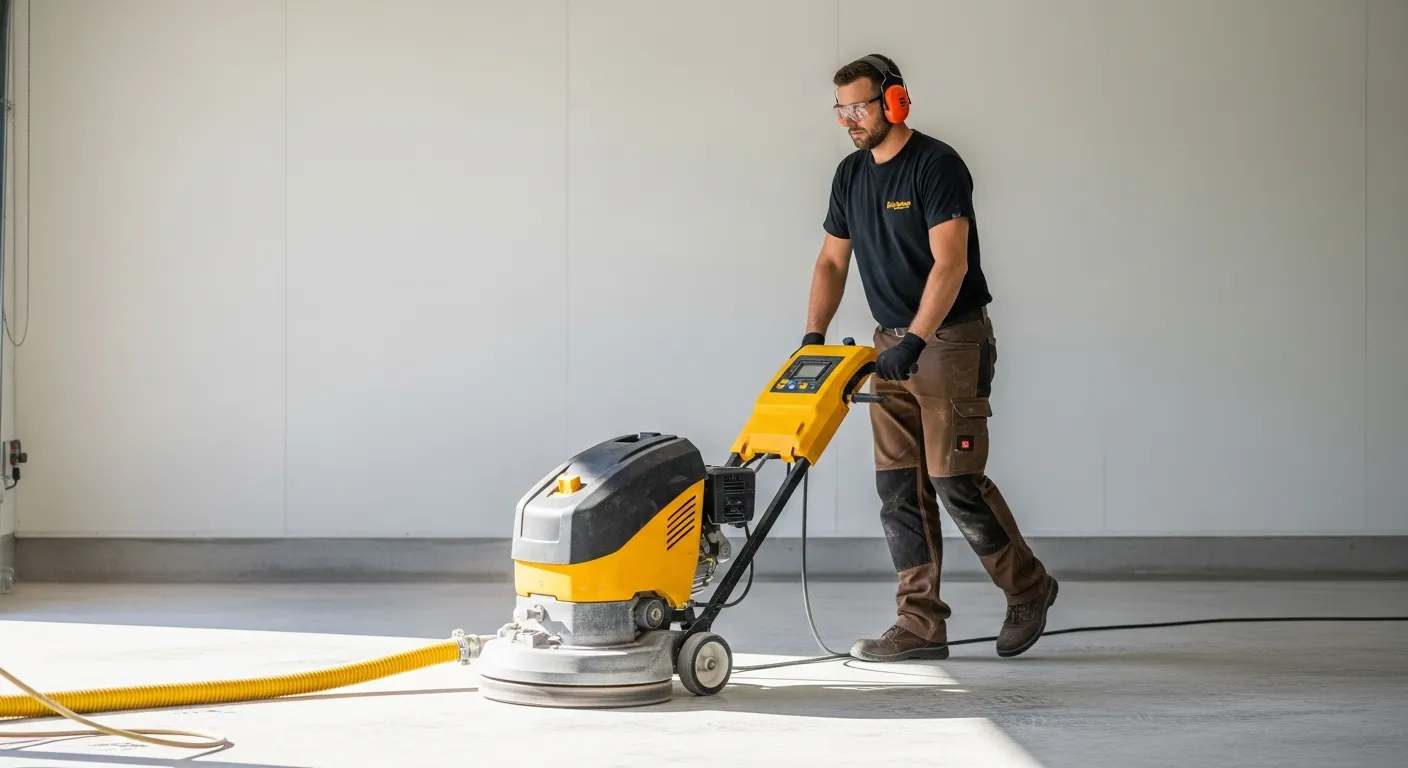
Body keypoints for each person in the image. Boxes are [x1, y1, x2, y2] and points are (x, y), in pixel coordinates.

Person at [801, 54, 1058, 661]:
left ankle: (1029, 587)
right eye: (841, 109)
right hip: (888, 346)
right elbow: (832, 261)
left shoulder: (936, 165)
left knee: (953, 479)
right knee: (898, 488)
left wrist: (916, 337)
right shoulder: (850, 174)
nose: (849, 120)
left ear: (895, 102)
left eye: (860, 106)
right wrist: (814, 337)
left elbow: (952, 262)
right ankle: (919, 623)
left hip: (947, 340)